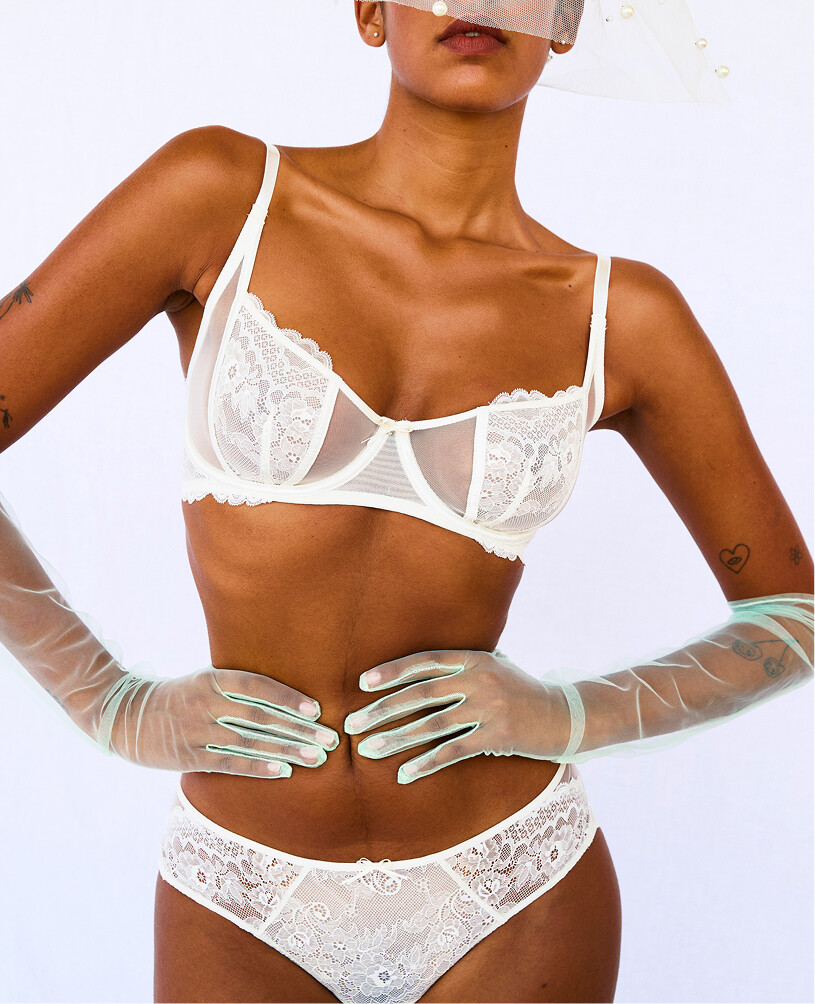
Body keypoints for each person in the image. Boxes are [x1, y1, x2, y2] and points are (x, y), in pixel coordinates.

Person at [0, 2, 811, 1003]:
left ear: (564, 25)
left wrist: (566, 712)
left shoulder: (621, 315)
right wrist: (107, 703)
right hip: (239, 885)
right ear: (370, 12)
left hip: (515, 882)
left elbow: (793, 614)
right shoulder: (219, 197)